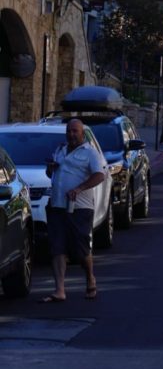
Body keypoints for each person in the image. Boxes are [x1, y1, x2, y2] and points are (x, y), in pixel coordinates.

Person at [42, 118, 108, 303]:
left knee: (80, 249)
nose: (71, 134)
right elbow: (51, 174)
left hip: (80, 207)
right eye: (69, 131)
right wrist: (51, 168)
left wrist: (79, 188)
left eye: (75, 131)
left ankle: (90, 278)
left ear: (82, 133)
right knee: (57, 247)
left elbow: (99, 176)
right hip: (57, 205)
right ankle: (60, 290)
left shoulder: (90, 153)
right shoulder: (60, 150)